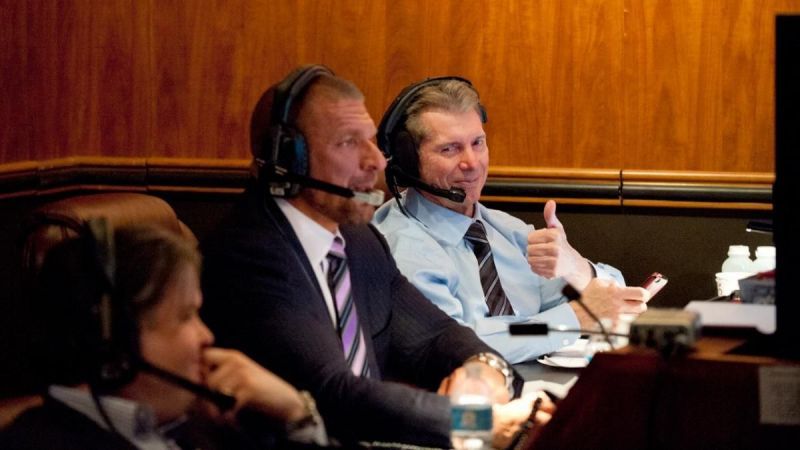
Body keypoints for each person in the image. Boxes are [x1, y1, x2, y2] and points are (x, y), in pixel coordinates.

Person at [200, 65, 546, 448]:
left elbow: (438, 335)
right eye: (349, 143)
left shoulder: (358, 241)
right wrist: (479, 422)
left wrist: (483, 373)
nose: (377, 162)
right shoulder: (252, 256)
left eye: (370, 141)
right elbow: (336, 396)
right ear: (289, 160)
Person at [372, 77, 650, 363]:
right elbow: (459, 341)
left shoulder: (503, 230)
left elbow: (616, 299)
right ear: (408, 162)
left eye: (478, 143)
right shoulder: (399, 246)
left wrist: (576, 268)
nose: (472, 163)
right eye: (450, 149)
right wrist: (572, 319)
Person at [0, 223, 327, 449]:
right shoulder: (41, 442)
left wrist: (295, 414)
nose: (207, 335)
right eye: (186, 316)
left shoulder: (190, 425)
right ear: (114, 339)